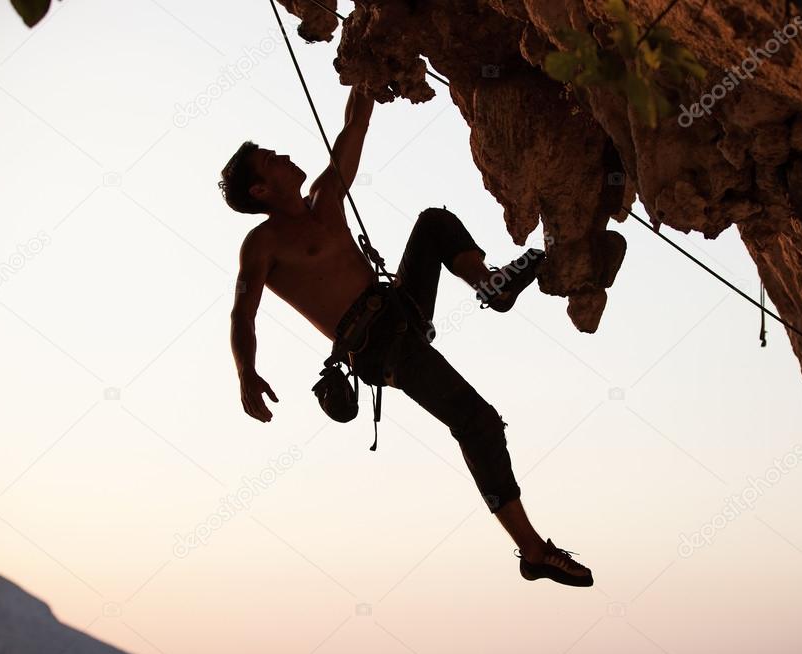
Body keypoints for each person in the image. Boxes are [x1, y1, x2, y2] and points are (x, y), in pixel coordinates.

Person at [218, 84, 595, 587]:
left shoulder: (326, 197)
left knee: (433, 223)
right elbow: (243, 313)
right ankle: (532, 551)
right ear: (261, 190)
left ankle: (492, 287)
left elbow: (355, 125)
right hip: (378, 345)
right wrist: (246, 373)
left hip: (401, 308)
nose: (285, 156)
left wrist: (366, 70)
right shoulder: (261, 243)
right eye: (271, 160)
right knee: (478, 422)